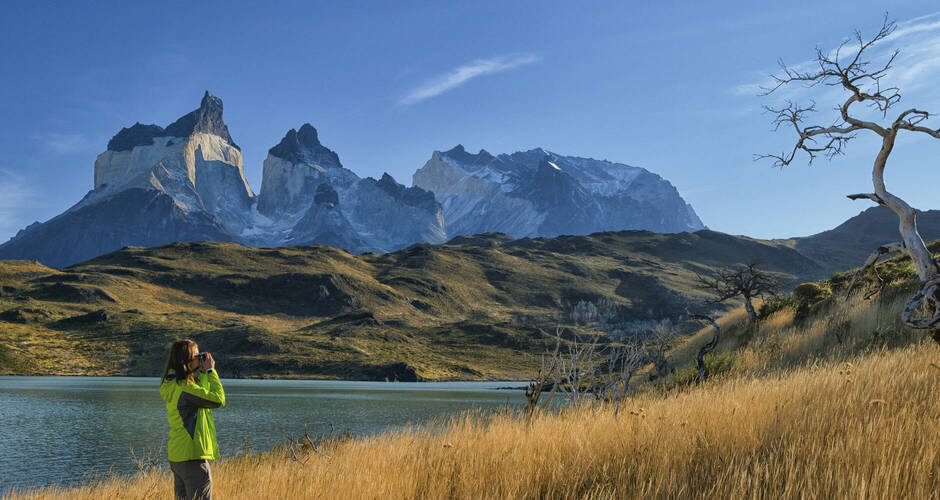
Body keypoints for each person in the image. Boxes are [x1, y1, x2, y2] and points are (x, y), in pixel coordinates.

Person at [159, 339, 225, 500]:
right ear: (186, 360)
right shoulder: (187, 388)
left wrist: (202, 374)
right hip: (192, 458)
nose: (200, 358)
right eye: (197, 355)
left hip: (178, 457)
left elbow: (201, 396)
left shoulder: (174, 384)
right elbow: (218, 400)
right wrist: (211, 371)